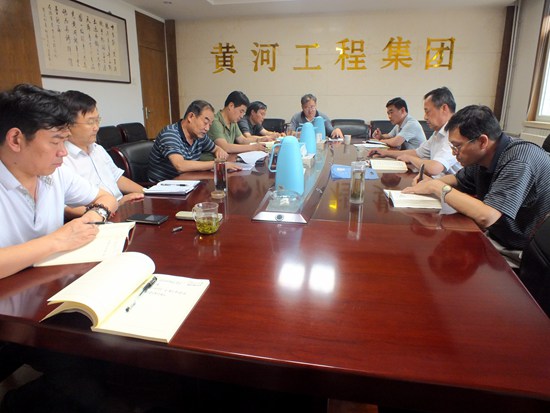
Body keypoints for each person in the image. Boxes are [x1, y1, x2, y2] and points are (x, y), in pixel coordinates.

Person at [402, 105, 550, 267]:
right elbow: (458, 180)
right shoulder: (485, 156)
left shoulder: (519, 161)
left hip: (518, 251)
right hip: (496, 237)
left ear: (482, 141)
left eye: (457, 146)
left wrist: (437, 187)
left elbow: (487, 216)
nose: (454, 153)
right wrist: (429, 183)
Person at [0, 84, 118, 279]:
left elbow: (106, 197)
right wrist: (57, 240)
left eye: (64, 141)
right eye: (55, 142)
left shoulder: (55, 173)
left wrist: (92, 218)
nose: (63, 152)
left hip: (52, 282)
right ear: (15, 139)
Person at [60, 90, 145, 218]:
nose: (96, 127)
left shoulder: (97, 149)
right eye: (90, 122)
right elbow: (64, 208)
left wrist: (148, 193)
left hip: (121, 208)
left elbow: (117, 178)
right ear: (68, 126)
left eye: (97, 120)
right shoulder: (61, 158)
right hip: (95, 218)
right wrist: (114, 207)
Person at [369, 87, 462, 178]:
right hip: (436, 181)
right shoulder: (438, 133)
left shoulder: (455, 133)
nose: (425, 117)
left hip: (451, 186)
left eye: (427, 111)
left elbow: (434, 168)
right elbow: (417, 153)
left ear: (444, 108)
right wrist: (385, 153)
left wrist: (410, 158)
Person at [148, 100, 234, 183]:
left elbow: (215, 148)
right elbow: (180, 165)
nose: (207, 128)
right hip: (163, 187)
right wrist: (217, 164)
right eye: (205, 122)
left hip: (188, 183)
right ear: (191, 117)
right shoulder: (170, 134)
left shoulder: (200, 136)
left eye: (210, 125)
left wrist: (219, 151)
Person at [206, 91, 266, 156]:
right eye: (241, 111)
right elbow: (225, 147)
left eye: (243, 113)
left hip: (228, 158)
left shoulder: (233, 122)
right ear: (231, 106)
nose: (242, 116)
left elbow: (242, 140)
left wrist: (260, 140)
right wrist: (253, 147)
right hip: (213, 161)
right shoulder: (215, 122)